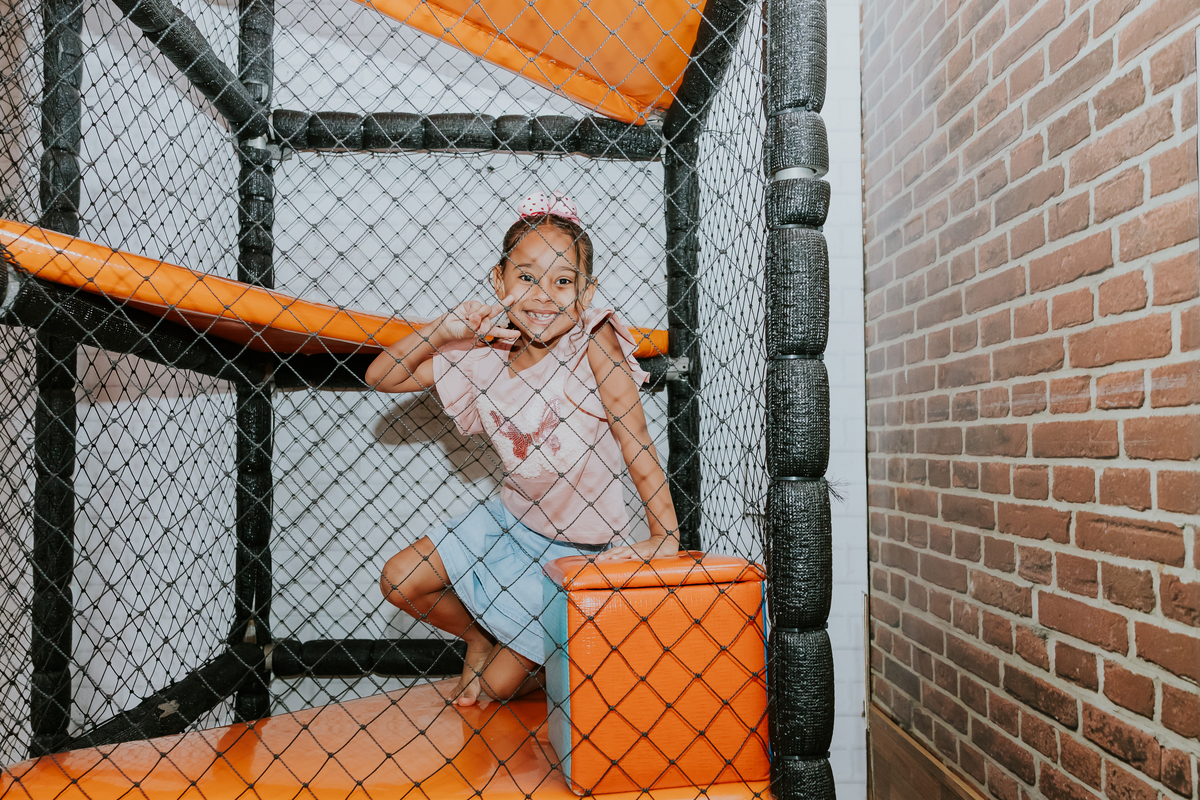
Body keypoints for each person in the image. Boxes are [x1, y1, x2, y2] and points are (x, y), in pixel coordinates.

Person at [366, 192, 680, 707]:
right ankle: (481, 634)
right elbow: (382, 376)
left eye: (563, 281)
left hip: (578, 550)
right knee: (400, 581)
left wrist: (664, 535)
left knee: (489, 693)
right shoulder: (482, 354)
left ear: (586, 292)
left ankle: (550, 649)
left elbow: (635, 437)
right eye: (527, 277)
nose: (543, 295)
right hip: (508, 526)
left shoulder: (592, 341)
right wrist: (446, 329)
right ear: (499, 281)